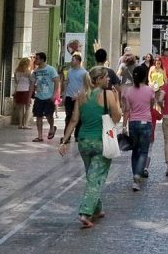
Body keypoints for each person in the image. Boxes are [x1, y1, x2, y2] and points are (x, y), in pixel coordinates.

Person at [58, 67, 121, 228]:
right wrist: (117, 99)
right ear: (98, 79)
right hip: (101, 142)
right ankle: (85, 212)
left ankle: (97, 208)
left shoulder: (81, 95)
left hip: (84, 142)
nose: (109, 80)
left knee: (92, 176)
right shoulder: (108, 94)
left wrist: (64, 141)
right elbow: (116, 117)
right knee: (95, 179)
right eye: (106, 77)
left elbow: (73, 120)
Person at [29, 52, 60, 142]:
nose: (35, 60)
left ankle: (52, 127)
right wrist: (29, 97)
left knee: (49, 115)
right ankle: (40, 136)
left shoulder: (50, 69)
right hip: (39, 96)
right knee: (38, 116)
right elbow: (32, 84)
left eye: (37, 58)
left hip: (49, 97)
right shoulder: (35, 71)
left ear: (42, 59)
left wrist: (55, 94)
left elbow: (57, 81)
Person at [62, 54, 86, 143]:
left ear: (79, 62)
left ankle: (77, 135)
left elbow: (85, 85)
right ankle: (66, 137)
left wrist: (79, 94)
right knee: (68, 116)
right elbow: (66, 83)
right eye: (72, 59)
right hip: (69, 96)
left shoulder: (84, 72)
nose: (72, 61)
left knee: (78, 117)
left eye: (73, 60)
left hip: (78, 98)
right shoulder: (70, 71)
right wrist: (64, 95)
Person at [12, 57, 32, 129]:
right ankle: (25, 124)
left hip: (18, 90)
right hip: (26, 91)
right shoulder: (28, 72)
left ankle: (20, 124)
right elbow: (31, 82)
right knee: (27, 108)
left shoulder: (16, 72)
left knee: (20, 108)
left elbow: (16, 82)